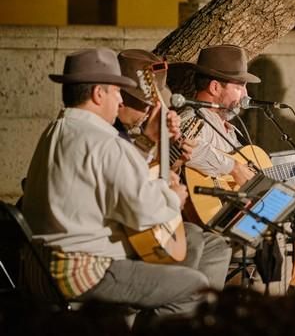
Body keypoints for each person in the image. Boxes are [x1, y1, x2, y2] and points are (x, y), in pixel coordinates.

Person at [20, 48, 222, 323]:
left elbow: (115, 177)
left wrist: (149, 142)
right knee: (195, 286)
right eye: (117, 92)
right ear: (98, 94)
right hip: (83, 273)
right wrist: (173, 196)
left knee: (191, 248)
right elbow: (146, 215)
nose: (119, 101)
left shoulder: (56, 131)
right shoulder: (104, 142)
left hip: (38, 271)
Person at [179, 44, 295, 313]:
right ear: (214, 87)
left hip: (240, 219)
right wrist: (232, 166)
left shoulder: (230, 131)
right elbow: (184, 145)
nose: (246, 94)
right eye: (239, 86)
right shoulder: (194, 117)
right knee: (283, 237)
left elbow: (256, 188)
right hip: (213, 226)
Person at [116, 49, 232, 291]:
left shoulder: (127, 133)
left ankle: (198, 311)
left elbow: (143, 175)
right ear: (120, 97)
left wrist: (174, 160)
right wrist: (170, 195)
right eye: (145, 104)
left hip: (139, 225)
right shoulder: (106, 138)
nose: (150, 112)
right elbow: (128, 195)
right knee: (192, 240)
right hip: (116, 241)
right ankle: (179, 308)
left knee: (215, 244)